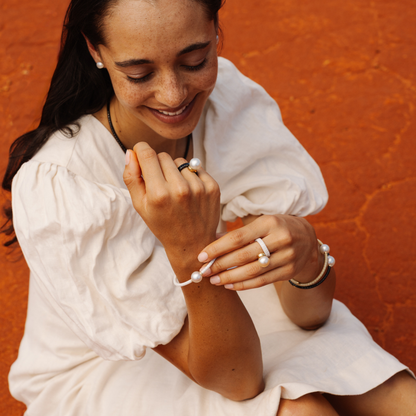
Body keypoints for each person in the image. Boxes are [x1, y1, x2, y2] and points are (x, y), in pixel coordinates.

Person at [3, 0, 416, 414]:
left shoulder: (224, 100)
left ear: (216, 30)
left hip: (221, 307)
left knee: (401, 400)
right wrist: (187, 246)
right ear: (96, 51)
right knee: (302, 410)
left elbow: (309, 315)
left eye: (195, 61)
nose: (174, 95)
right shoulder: (62, 182)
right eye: (139, 74)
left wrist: (307, 254)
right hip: (109, 364)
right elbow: (238, 380)